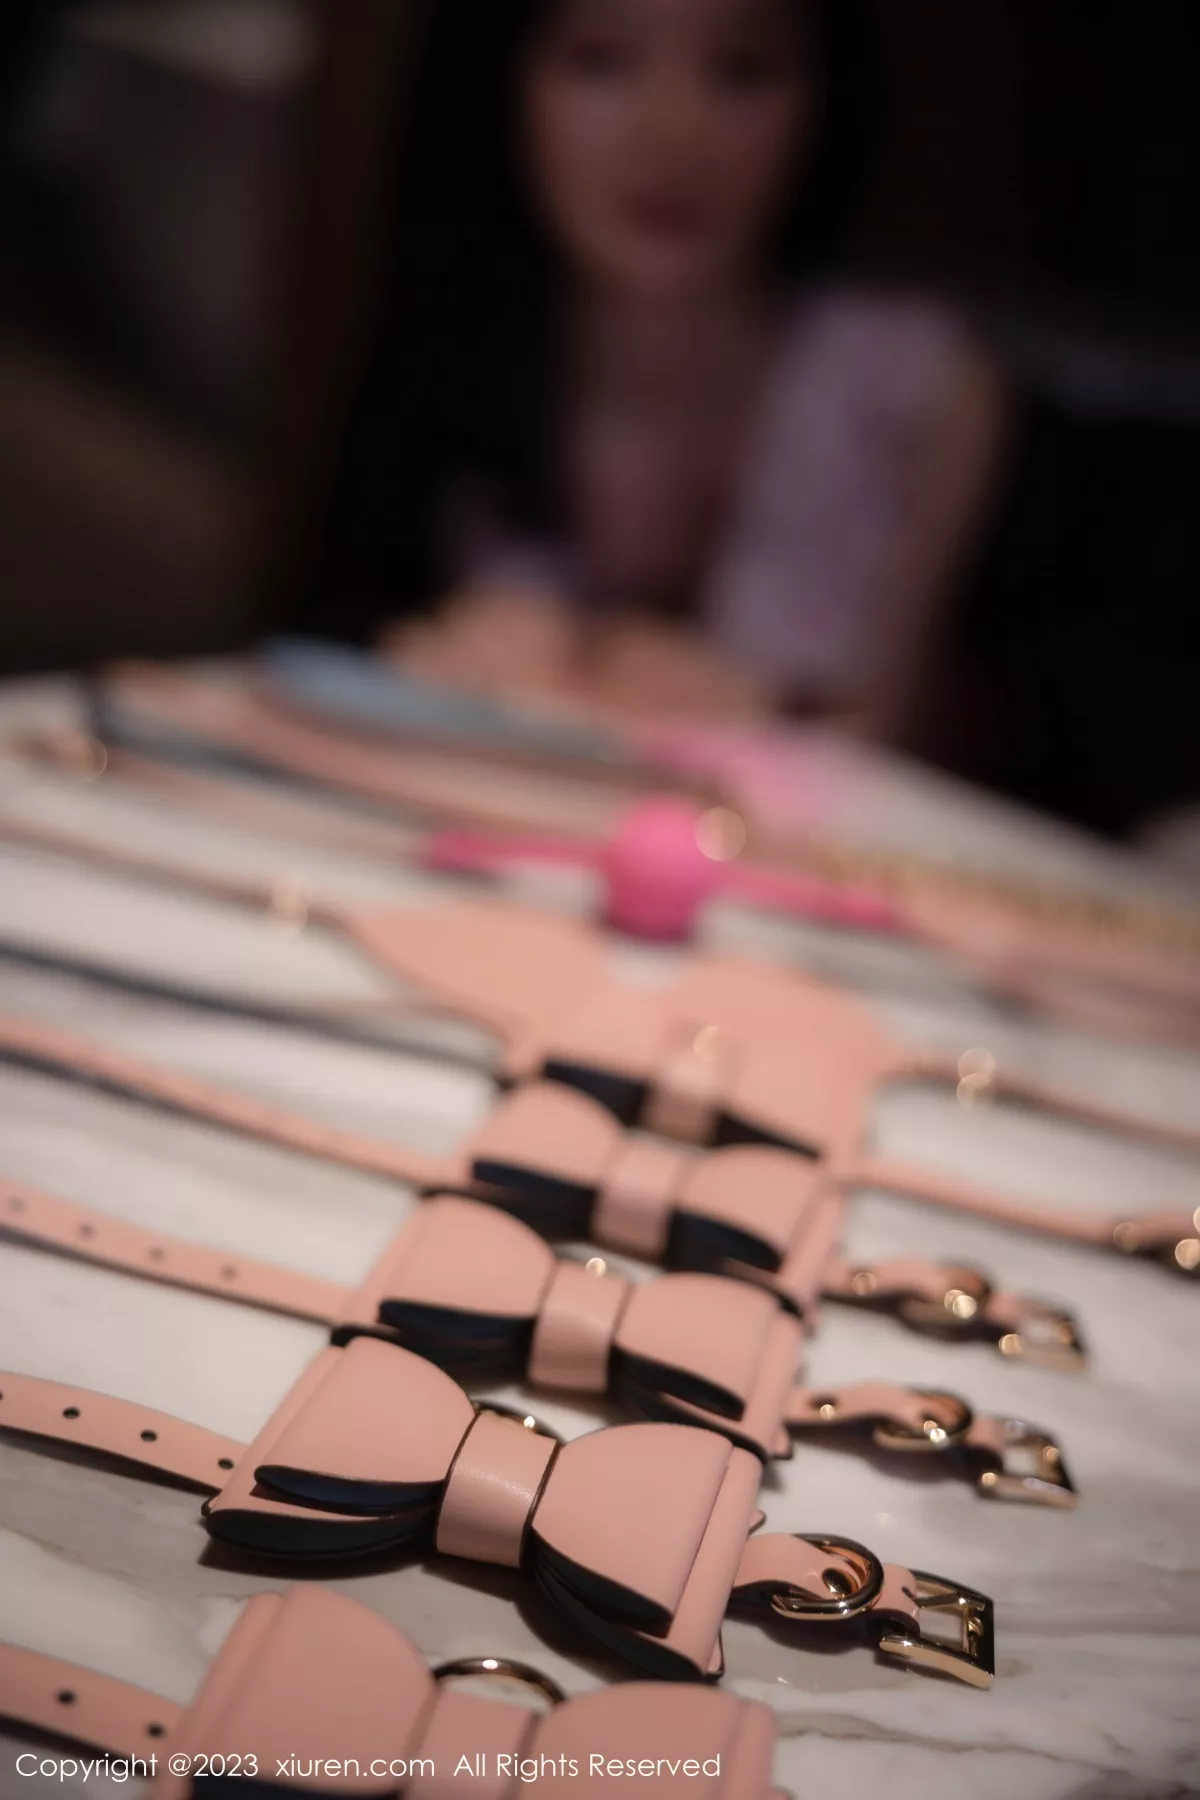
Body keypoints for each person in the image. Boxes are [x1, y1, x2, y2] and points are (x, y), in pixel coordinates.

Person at [324, 0, 1006, 734]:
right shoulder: (452, 347)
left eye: (743, 68)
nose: (675, 131)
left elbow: (884, 739)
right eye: (602, 59)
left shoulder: (911, 394)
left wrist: (760, 709)